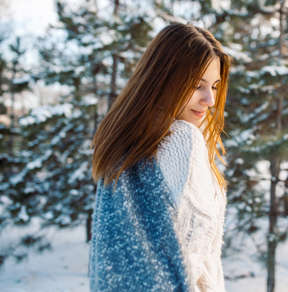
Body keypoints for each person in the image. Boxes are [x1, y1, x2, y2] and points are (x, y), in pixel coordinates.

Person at [88, 22, 231, 292]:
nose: (210, 100)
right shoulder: (182, 140)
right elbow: (195, 259)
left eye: (214, 86)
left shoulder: (124, 146)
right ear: (164, 80)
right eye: (197, 85)